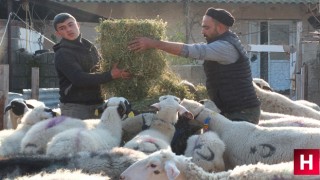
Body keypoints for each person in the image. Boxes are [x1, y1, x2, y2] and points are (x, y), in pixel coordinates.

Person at [128, 7, 260, 124]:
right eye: (202, 27)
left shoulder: (225, 47)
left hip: (242, 114)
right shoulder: (221, 43)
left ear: (219, 27)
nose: (202, 31)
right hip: (230, 110)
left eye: (206, 27)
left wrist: (154, 43)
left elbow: (191, 50)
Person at [53, 13, 131, 119]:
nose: (68, 29)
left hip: (98, 105)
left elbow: (100, 69)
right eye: (62, 28)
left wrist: (118, 70)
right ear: (58, 33)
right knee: (78, 136)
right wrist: (110, 75)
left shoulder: (89, 46)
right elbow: (79, 79)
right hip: (76, 108)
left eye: (70, 24)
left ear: (78, 25)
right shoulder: (63, 53)